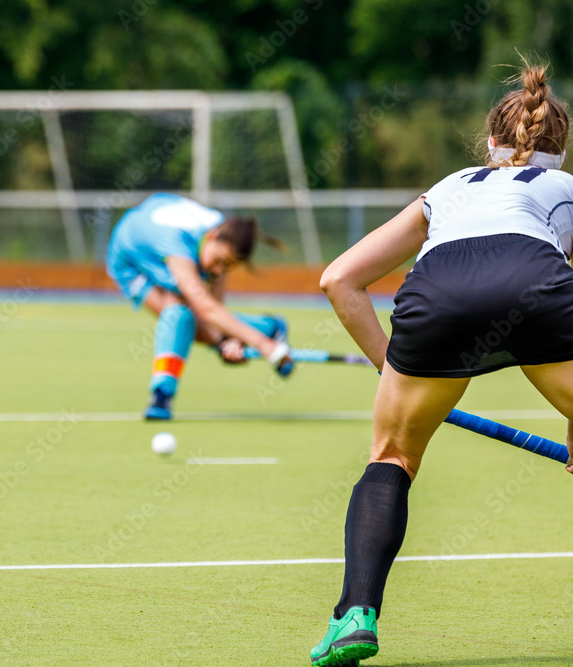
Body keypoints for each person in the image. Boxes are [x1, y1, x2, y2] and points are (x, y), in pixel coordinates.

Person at [311, 63, 573, 666]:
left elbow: (339, 279)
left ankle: (355, 613)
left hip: (437, 298)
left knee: (393, 458)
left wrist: (393, 365)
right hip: (537, 288)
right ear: (559, 150)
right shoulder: (564, 191)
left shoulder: (451, 186)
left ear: (489, 144)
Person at [106, 193, 295, 420]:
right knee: (177, 314)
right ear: (213, 237)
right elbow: (207, 310)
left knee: (196, 319)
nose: (217, 271)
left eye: (226, 267)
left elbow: (216, 310)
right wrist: (263, 345)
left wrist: (228, 338)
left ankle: (162, 393)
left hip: (161, 224)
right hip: (130, 260)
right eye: (219, 262)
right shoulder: (176, 243)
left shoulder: (220, 235)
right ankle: (268, 328)